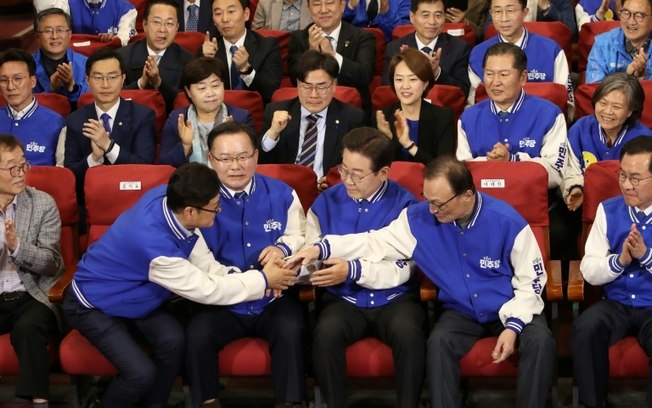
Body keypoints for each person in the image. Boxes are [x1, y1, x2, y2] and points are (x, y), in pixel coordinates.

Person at [290, 155, 555, 408]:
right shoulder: (418, 219)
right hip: (461, 311)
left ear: (467, 195)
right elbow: (374, 241)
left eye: (440, 204)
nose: (432, 210)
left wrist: (514, 325)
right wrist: (322, 248)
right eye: (428, 200)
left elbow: (532, 281)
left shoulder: (508, 222)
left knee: (540, 340)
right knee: (438, 343)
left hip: (510, 305)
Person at [62, 162, 298, 407]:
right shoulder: (155, 248)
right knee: (139, 374)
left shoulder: (167, 197)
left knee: (174, 340)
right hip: (94, 304)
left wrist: (240, 275)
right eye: (215, 208)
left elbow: (203, 261)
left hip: (138, 298)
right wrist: (264, 279)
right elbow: (208, 290)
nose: (219, 212)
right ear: (190, 212)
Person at [186, 122, 307, 408]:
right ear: (210, 160)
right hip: (220, 300)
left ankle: (289, 403)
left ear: (256, 156)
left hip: (273, 298)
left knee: (292, 329)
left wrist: (282, 248)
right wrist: (250, 282)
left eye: (243, 157)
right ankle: (207, 402)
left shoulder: (282, 193)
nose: (235, 166)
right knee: (197, 334)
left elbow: (300, 235)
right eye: (225, 159)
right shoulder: (196, 203)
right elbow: (199, 263)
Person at [308, 127, 424, 408]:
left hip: (395, 298)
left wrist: (353, 268)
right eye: (343, 170)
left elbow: (404, 265)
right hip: (343, 298)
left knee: (410, 334)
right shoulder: (326, 201)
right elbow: (311, 252)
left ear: (383, 173)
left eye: (357, 175)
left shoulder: (407, 205)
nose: (347, 180)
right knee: (325, 334)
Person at [571, 135, 652, 408]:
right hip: (615, 304)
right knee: (585, 328)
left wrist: (646, 256)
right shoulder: (609, 210)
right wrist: (620, 260)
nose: (626, 185)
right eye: (623, 176)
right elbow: (589, 269)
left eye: (636, 179)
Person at [0, 135, 63, 408]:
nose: (20, 173)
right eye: (12, 168)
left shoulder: (42, 203)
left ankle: (39, 401)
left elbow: (52, 262)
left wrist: (17, 247)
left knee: (29, 328)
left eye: (23, 165)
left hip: (32, 294)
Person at [64, 47, 157, 228]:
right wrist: (94, 158)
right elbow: (70, 176)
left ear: (122, 80)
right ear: (87, 80)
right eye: (98, 78)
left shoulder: (142, 116)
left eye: (112, 77)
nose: (105, 85)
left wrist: (108, 146)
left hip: (132, 203)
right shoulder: (76, 120)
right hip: (91, 204)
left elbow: (145, 168)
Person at [457, 42, 567, 190]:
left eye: (503, 75)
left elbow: (555, 173)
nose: (495, 82)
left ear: (522, 78)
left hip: (530, 200)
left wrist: (512, 161)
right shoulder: (468, 118)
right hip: (481, 199)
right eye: (489, 74)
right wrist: (491, 162)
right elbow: (462, 172)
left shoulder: (550, 115)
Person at [259, 50, 366, 182]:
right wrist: (273, 133)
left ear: (334, 85)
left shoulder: (352, 119)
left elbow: (360, 165)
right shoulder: (275, 111)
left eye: (321, 87)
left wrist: (335, 181)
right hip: (285, 190)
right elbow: (261, 162)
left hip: (328, 192)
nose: (313, 95)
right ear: (298, 85)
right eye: (307, 86)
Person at [563, 72, 652, 213]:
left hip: (628, 208)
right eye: (603, 103)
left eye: (616, 107)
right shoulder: (581, 128)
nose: (607, 111)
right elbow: (570, 169)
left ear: (630, 111)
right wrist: (575, 187)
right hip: (583, 203)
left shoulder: (644, 141)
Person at [467, 0, 573, 110]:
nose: (504, 18)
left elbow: (566, 101)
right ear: (491, 14)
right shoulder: (478, 53)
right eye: (497, 11)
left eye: (510, 10)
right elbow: (474, 102)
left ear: (525, 13)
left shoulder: (551, 50)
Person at [159, 57, 254, 167]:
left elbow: (250, 160)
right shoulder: (177, 119)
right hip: (189, 182)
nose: (210, 93)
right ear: (188, 91)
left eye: (215, 86)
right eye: (202, 88)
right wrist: (185, 146)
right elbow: (165, 164)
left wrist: (231, 141)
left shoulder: (241, 118)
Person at [287, 0, 376, 113]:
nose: (323, 10)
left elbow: (365, 76)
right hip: (309, 107)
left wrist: (332, 54)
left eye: (329, 3)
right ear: (309, 9)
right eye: (317, 4)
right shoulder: (298, 38)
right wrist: (312, 53)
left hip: (351, 110)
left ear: (342, 6)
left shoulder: (362, 37)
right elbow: (295, 79)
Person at [375, 48, 455, 164]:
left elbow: (444, 168)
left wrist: (408, 144)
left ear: (425, 83)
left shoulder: (443, 117)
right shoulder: (383, 117)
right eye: (399, 79)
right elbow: (377, 168)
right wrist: (388, 140)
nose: (405, 86)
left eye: (412, 79)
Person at [117, 0, 195, 112]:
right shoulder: (122, 57)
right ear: (144, 25)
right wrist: (140, 84)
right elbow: (112, 98)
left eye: (169, 23)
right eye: (157, 22)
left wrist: (159, 83)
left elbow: (191, 102)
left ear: (177, 27)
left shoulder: (188, 61)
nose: (162, 30)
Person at [201, 0, 283, 104]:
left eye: (231, 11)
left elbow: (270, 92)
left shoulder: (267, 46)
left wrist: (246, 69)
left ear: (246, 14)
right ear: (213, 19)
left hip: (255, 113)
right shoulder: (208, 50)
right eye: (218, 13)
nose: (225, 19)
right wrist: (205, 61)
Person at [383, 0, 471, 97]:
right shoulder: (394, 49)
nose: (432, 22)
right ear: (412, 17)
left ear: (445, 17)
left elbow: (463, 91)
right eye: (425, 15)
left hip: (442, 110)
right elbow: (387, 92)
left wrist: (437, 73)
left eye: (438, 15)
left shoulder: (459, 48)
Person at [0, 49, 66, 166]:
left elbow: (61, 175)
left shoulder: (56, 123)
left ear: (33, 81)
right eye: (4, 80)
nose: (10, 86)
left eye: (18, 79)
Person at [33, 7, 90, 105]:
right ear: (37, 36)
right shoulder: (26, 66)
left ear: (70, 34)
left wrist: (72, 87)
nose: (54, 36)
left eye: (60, 30)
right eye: (48, 31)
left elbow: (91, 101)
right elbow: (23, 105)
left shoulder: (86, 64)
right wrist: (51, 89)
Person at [585, 0, 652, 82]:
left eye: (639, 15)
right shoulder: (602, 45)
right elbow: (594, 90)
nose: (631, 22)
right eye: (626, 13)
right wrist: (627, 77)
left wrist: (644, 79)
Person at [67, 0, 137, 46]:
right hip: (76, 57)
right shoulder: (66, 4)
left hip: (110, 58)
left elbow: (126, 40)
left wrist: (114, 39)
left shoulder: (126, 9)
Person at [342, 0, 411, 42]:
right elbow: (339, 24)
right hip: (353, 43)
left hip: (388, 47)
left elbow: (403, 31)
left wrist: (386, 12)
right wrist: (350, 7)